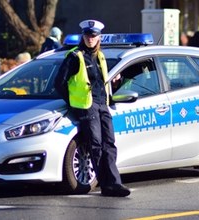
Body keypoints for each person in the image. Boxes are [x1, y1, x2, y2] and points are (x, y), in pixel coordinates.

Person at [54, 19, 130, 197]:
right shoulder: (75, 56)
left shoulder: (101, 56)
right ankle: (107, 185)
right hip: (87, 106)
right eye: (88, 35)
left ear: (99, 37)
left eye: (94, 36)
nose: (90, 39)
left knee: (109, 143)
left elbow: (102, 81)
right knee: (96, 145)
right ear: (83, 36)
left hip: (102, 103)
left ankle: (114, 182)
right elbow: (59, 83)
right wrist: (73, 104)